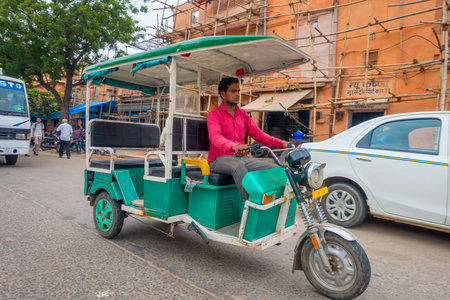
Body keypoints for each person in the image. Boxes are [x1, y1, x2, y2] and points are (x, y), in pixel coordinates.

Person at [207, 77, 289, 200]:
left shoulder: (243, 115)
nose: (237, 94)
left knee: (275, 169)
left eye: (238, 91)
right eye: (233, 91)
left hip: (241, 158)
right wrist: (233, 146)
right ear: (223, 94)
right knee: (238, 166)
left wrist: (283, 144)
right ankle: (254, 204)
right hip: (219, 159)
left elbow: (259, 135)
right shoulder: (214, 115)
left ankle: (276, 202)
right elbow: (215, 138)